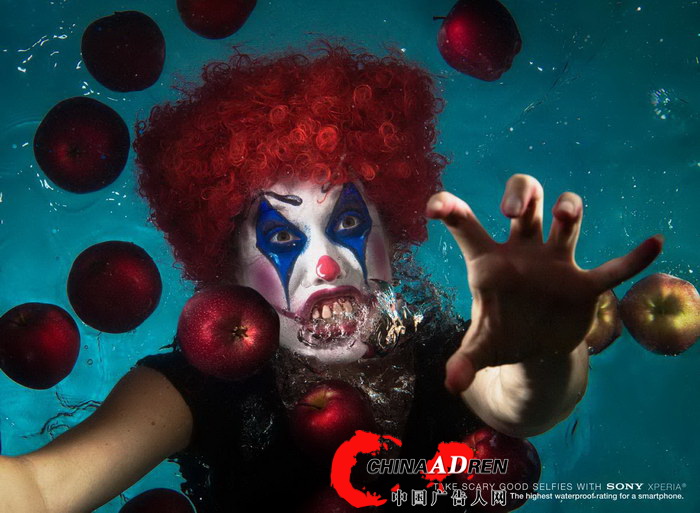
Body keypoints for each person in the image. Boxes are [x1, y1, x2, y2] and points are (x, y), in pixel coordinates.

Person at [0, 41, 661, 513]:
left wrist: (544, 343)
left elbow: (523, 402)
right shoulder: (200, 387)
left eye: (348, 224)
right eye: (284, 237)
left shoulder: (452, 351)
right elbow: (40, 490)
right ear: (232, 270)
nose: (326, 263)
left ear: (390, 239)